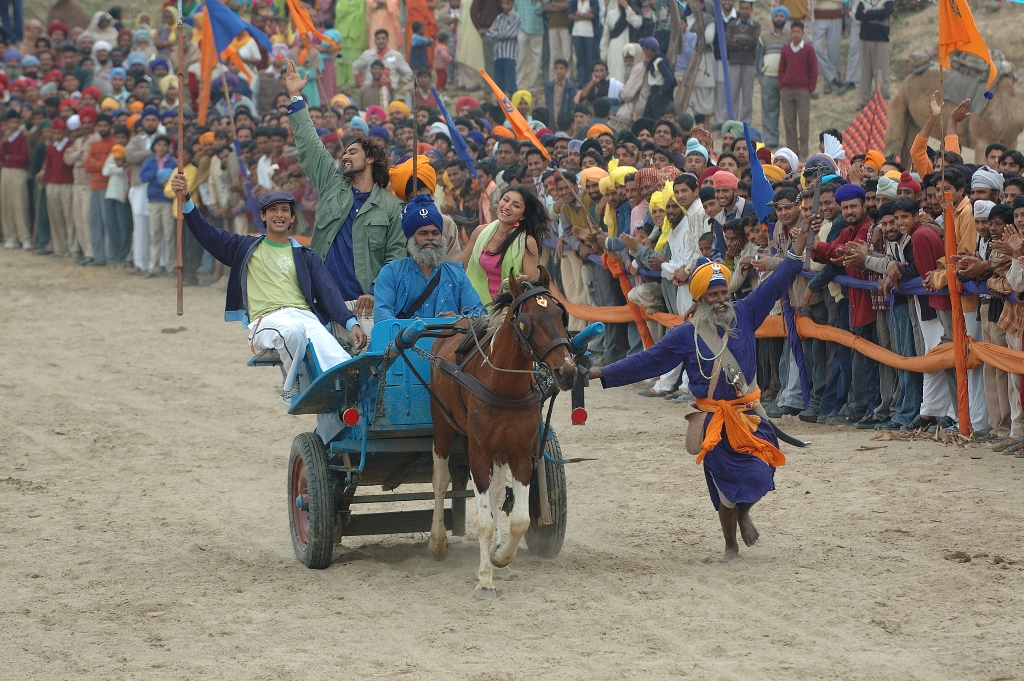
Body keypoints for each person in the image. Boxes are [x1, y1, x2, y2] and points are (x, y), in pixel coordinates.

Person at [588, 225, 812, 562]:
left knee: (762, 472)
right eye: (712, 295)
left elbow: (781, 279)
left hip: (750, 417)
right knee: (724, 491)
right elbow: (647, 362)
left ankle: (744, 512)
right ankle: (730, 545)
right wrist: (602, 372)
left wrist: (799, 242)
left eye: (724, 294)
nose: (721, 300)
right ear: (700, 300)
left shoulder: (748, 312)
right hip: (713, 423)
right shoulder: (684, 336)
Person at [170, 172, 366, 405]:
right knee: (292, 331)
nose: (279, 215)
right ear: (263, 216)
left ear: (292, 217)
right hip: (266, 322)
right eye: (273, 210)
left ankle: (353, 402)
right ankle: (291, 386)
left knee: (340, 360)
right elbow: (208, 235)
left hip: (305, 318)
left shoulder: (305, 256)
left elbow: (328, 292)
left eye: (285, 210)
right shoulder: (245, 247)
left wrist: (351, 322)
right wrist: (187, 200)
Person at [284, 59, 406, 337]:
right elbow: (310, 145)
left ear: (371, 158)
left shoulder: (391, 207)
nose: (345, 156)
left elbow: (395, 258)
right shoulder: (331, 185)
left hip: (366, 307)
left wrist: (375, 293)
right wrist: (295, 97)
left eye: (353, 152)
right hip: (320, 303)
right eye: (345, 152)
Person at [374, 194, 484, 322]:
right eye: (423, 233)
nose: (430, 238)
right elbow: (383, 317)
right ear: (410, 239)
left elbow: (479, 314)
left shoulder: (456, 274)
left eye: (435, 233)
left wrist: (458, 319)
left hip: (448, 340)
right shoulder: (391, 273)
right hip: (404, 341)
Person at [458, 183, 546, 304]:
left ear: (523, 215)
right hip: (475, 307)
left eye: (516, 205)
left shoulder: (527, 243)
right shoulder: (480, 232)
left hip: (508, 310)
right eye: (505, 200)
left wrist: (518, 283)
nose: (507, 206)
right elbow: (457, 266)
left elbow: (530, 284)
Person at [778, 20, 817, 160]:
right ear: (790, 33)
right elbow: (781, 68)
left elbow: (814, 69)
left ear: (803, 33)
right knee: (789, 122)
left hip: (803, 90)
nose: (795, 34)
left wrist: (810, 87)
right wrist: (781, 84)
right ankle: (792, 152)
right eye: (793, 31)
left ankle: (804, 153)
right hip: (787, 90)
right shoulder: (786, 49)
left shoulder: (808, 49)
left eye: (798, 32)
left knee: (803, 121)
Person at [724, 0, 759, 124]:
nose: (744, 11)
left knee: (747, 95)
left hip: (749, 63)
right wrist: (745, 44)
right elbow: (728, 43)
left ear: (751, 9)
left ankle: (745, 123)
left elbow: (754, 42)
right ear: (739, 9)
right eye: (742, 8)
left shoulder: (756, 25)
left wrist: (737, 40)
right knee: (732, 94)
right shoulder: (732, 25)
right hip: (734, 62)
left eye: (747, 8)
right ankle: (730, 122)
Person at [853, 0, 892, 111]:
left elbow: (886, 13)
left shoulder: (887, 1)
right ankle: (863, 101)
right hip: (865, 39)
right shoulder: (863, 1)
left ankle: (884, 101)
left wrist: (868, 13)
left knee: (882, 72)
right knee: (865, 72)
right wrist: (877, 13)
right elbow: (858, 15)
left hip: (881, 40)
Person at [760, 6, 789, 148]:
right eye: (776, 15)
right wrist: (759, 74)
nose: (778, 18)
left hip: (785, 80)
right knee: (768, 110)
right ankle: (770, 140)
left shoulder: (790, 36)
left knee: (787, 111)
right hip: (768, 77)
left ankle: (789, 141)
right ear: (772, 18)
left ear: (785, 18)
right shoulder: (764, 36)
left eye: (781, 16)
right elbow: (759, 56)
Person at [486, 0, 520, 95]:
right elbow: (488, 33)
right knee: (499, 87)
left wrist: (497, 33)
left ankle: (513, 108)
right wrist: (500, 33)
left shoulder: (515, 17)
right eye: (503, 3)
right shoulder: (499, 17)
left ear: (513, 3)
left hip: (509, 55)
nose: (505, 6)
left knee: (511, 85)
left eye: (508, 3)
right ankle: (500, 108)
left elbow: (509, 34)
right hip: (498, 55)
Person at [515, 0, 545, 92]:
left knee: (537, 60)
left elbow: (540, 11)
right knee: (520, 59)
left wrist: (537, 3)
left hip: (537, 29)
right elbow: (514, 10)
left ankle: (532, 87)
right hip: (521, 28)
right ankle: (518, 86)